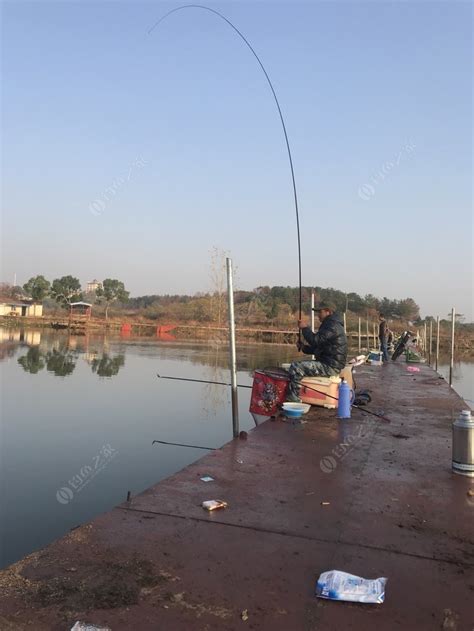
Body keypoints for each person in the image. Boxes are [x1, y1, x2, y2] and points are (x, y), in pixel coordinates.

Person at [286, 303, 348, 403]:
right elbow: (319, 347)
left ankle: (293, 399)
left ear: (328, 312)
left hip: (330, 367)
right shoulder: (331, 323)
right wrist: (303, 347)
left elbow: (316, 340)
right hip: (329, 363)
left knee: (296, 367)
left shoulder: (332, 325)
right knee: (299, 366)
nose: (318, 314)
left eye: (320, 312)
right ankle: (296, 395)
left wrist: (305, 328)